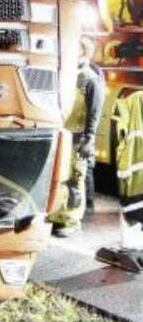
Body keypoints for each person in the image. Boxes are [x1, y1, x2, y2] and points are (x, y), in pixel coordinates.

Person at [50, 36, 105, 237]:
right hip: (62, 133)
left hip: (77, 137)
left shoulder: (90, 79)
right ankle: (56, 215)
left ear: (83, 53)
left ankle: (71, 220)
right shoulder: (66, 74)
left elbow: (95, 111)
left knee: (74, 180)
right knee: (57, 177)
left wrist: (89, 138)